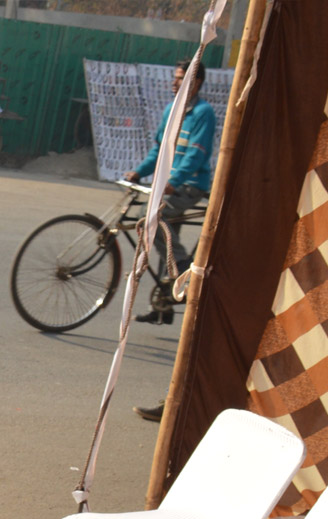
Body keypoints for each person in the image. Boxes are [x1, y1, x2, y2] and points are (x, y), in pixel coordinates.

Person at [122, 58, 217, 330]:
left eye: (180, 78)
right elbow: (159, 150)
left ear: (195, 83)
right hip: (171, 184)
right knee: (165, 233)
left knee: (150, 217)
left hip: (190, 184)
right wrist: (139, 172)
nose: (174, 83)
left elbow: (196, 155)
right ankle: (162, 306)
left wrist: (173, 181)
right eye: (175, 77)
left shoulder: (203, 113)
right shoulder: (171, 110)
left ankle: (184, 267)